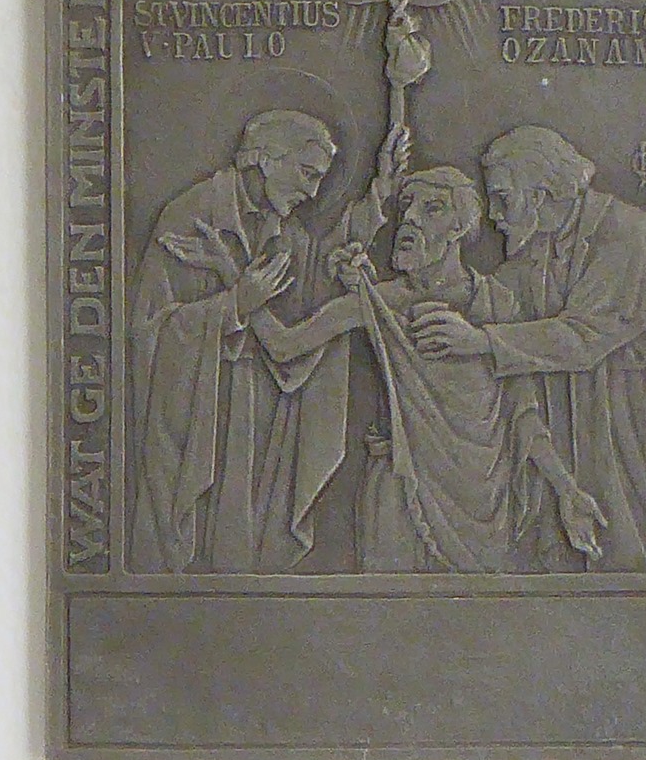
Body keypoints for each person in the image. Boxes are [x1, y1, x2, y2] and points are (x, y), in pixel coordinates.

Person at [256, 166, 605, 573]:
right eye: (407, 206)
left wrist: (566, 489)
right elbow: (285, 346)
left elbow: (522, 413)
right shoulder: (377, 302)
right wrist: (240, 295)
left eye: (432, 209)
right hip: (400, 494)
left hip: (486, 500)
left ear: (460, 228)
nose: (410, 219)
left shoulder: (496, 304)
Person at [129, 105, 409, 573]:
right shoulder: (192, 218)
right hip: (201, 417)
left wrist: (380, 192)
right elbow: (149, 336)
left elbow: (317, 275)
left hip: (255, 414)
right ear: (264, 158)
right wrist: (233, 305)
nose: (313, 192)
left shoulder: (281, 228)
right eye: (307, 173)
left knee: (243, 545)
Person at [406, 126, 646, 571]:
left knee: (634, 544)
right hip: (580, 422)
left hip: (632, 423)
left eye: (503, 198)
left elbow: (582, 337)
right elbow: (492, 296)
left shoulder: (627, 235)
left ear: (542, 194)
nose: (494, 215)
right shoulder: (544, 243)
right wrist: (420, 280)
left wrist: (481, 341)